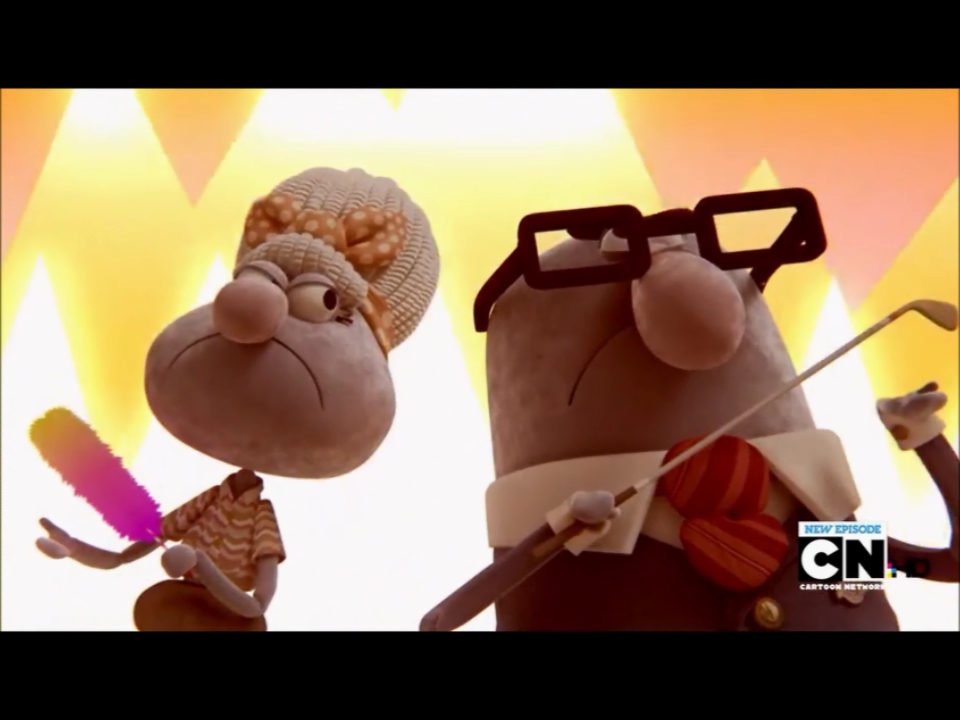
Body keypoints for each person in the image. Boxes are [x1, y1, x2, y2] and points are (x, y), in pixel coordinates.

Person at [474, 196, 958, 630]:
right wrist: (558, 525)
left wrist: (925, 437)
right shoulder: (570, 563)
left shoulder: (815, 537)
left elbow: (944, 564)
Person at [34, 167, 440, 631]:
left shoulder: (257, 519)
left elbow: (255, 605)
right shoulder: (213, 503)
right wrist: (78, 550)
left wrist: (203, 568)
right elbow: (132, 552)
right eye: (259, 280)